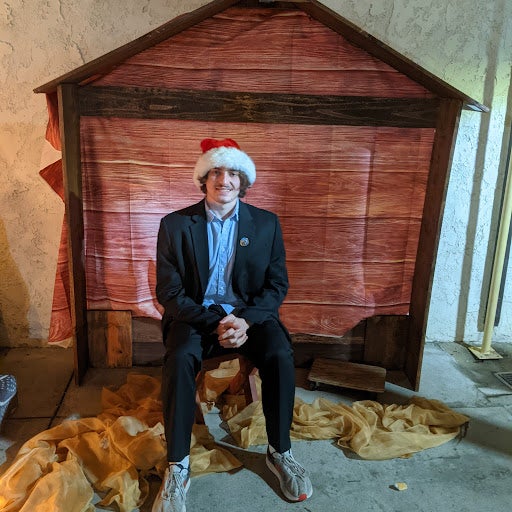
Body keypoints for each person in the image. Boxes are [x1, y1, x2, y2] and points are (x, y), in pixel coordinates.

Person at [153, 138, 312, 512]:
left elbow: (277, 285)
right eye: (215, 172)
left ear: (243, 181)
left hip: (249, 316)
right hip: (195, 316)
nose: (223, 180)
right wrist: (216, 322)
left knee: (279, 354)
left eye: (232, 173)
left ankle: (280, 452)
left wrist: (244, 320)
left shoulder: (266, 224)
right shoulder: (175, 225)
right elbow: (170, 292)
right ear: (203, 180)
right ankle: (177, 465)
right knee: (179, 359)